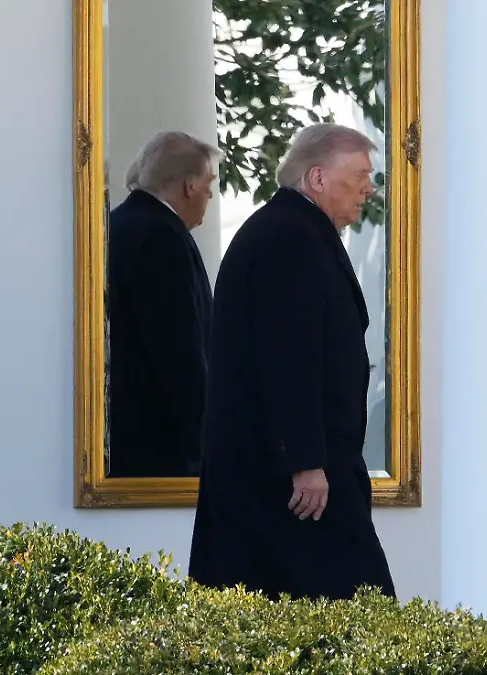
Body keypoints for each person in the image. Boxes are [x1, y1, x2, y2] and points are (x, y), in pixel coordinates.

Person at [188, 123, 395, 600]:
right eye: (360, 173)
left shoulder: (294, 231)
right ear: (317, 178)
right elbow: (287, 358)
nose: (369, 186)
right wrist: (304, 461)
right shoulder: (289, 238)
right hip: (289, 485)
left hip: (290, 478)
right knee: (358, 615)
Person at [106, 131, 218, 477]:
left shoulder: (119, 223)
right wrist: (207, 439)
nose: (210, 193)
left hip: (128, 435)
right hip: (164, 448)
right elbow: (178, 350)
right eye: (208, 182)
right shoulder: (162, 237)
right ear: (189, 185)